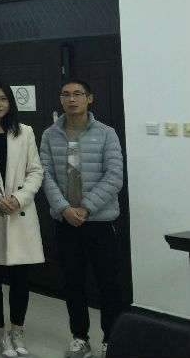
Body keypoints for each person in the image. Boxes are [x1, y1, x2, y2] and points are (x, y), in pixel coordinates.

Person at [40, 79, 124, 358]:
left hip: (100, 222)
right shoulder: (50, 135)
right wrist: (64, 208)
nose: (72, 99)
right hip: (65, 222)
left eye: (78, 94)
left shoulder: (106, 133)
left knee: (108, 284)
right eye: (66, 94)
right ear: (60, 100)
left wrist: (86, 208)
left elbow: (114, 176)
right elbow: (45, 175)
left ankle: (111, 340)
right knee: (73, 283)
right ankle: (80, 338)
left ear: (90, 98)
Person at [0, 80, 44, 358]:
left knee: (20, 279)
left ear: (10, 102)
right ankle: (0, 334)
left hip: (19, 213)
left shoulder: (24, 131)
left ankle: (17, 331)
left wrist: (19, 198)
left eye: (3, 99)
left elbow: (35, 171)